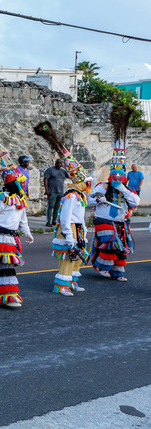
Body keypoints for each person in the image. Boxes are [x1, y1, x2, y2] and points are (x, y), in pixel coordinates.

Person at [0, 102, 34, 308]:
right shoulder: (1, 198)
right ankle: (8, 295)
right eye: (19, 182)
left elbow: (23, 218)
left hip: (12, 237)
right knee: (6, 266)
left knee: (6, 265)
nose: (22, 184)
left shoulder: (20, 200)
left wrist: (27, 233)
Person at [34, 121, 91, 296]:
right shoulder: (71, 196)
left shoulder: (80, 196)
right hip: (69, 229)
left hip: (78, 229)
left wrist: (84, 230)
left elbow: (80, 217)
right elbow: (65, 217)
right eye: (87, 182)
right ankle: (62, 286)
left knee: (77, 258)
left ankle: (72, 282)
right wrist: (68, 235)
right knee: (68, 257)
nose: (88, 185)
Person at [89, 107, 140, 281]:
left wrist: (123, 189)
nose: (117, 176)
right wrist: (99, 199)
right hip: (104, 220)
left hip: (121, 221)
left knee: (121, 247)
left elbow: (135, 202)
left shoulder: (128, 190)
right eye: (115, 173)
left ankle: (117, 272)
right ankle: (102, 267)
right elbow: (89, 201)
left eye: (120, 173)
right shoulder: (102, 187)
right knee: (111, 243)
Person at [43, 159, 69, 226]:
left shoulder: (63, 171)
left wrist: (66, 168)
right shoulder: (50, 170)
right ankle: (48, 221)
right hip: (52, 191)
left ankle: (54, 220)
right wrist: (46, 189)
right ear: (55, 163)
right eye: (57, 163)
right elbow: (46, 179)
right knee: (51, 206)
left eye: (60, 163)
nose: (59, 164)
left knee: (57, 207)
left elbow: (70, 176)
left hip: (60, 192)